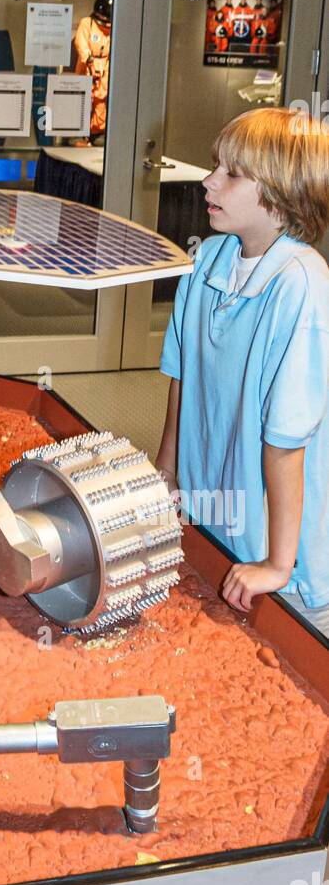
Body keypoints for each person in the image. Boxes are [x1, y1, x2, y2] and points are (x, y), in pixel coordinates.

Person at [156, 107, 329, 634]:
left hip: (285, 552)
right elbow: (181, 371)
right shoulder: (208, 259)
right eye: (215, 166)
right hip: (217, 511)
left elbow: (286, 437)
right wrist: (168, 469)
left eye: (231, 174)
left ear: (280, 196)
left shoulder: (301, 283)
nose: (209, 181)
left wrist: (278, 564)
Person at [72, 0, 112, 145]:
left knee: (100, 101)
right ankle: (78, 132)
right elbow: (80, 43)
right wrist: (88, 60)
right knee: (82, 99)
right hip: (87, 65)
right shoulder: (87, 23)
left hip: (105, 67)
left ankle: (96, 132)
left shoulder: (114, 28)